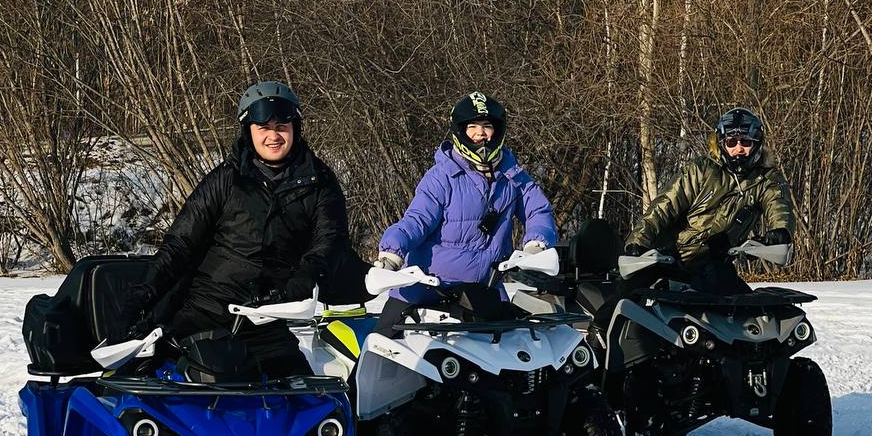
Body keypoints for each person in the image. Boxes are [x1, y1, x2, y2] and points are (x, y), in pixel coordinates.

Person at [121, 81, 349, 375]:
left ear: (296, 128)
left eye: (282, 126)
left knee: (305, 398)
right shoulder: (226, 179)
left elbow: (330, 242)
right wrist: (144, 294)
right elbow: (180, 244)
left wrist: (301, 281)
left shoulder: (320, 183)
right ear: (248, 131)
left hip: (266, 316)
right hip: (205, 310)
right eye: (263, 128)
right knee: (152, 380)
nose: (273, 136)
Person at [375, 92, 557, 306]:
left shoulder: (513, 176)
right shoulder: (442, 176)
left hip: (485, 291)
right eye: (472, 127)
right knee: (383, 336)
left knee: (524, 337)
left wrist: (536, 245)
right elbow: (416, 220)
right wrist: (391, 255)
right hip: (429, 290)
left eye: (487, 126)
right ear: (460, 131)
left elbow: (538, 211)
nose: (480, 133)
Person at [623, 107, 794, 294]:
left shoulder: (767, 179)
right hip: (669, 257)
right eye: (731, 142)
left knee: (745, 306)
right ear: (721, 143)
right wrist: (637, 242)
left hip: (714, 264)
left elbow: (778, 206)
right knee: (627, 298)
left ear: (757, 143)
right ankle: (600, 323)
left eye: (745, 142)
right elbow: (663, 207)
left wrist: (780, 231)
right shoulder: (700, 171)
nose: (738, 148)